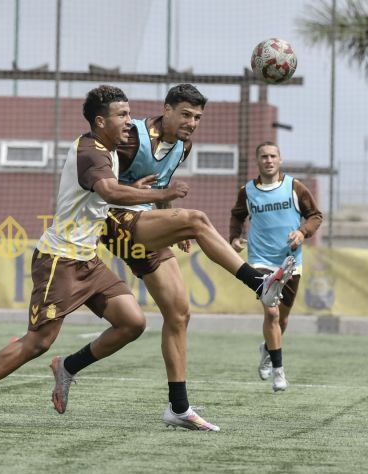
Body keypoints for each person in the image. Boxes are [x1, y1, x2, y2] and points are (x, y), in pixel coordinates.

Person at [0, 85, 191, 428]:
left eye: (130, 114)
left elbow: (113, 194)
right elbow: (109, 190)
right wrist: (162, 193)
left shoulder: (111, 149)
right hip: (61, 259)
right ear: (101, 121)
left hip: (87, 258)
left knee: (132, 322)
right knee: (38, 341)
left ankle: (67, 367)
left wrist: (145, 195)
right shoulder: (91, 151)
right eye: (122, 115)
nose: (130, 122)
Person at [102, 84, 296, 428]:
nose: (192, 123)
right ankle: (258, 282)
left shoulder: (182, 146)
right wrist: (163, 208)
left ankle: (177, 408)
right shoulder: (130, 138)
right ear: (167, 109)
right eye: (186, 115)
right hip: (112, 220)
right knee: (197, 219)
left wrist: (170, 222)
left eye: (198, 117)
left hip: (144, 223)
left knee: (179, 314)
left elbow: (160, 188)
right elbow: (101, 187)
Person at [229, 141, 323, 392]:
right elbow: (237, 215)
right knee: (270, 312)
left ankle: (267, 348)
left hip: (290, 261)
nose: (268, 160)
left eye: (273, 156)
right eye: (263, 156)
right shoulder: (247, 191)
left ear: (280, 160)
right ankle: (279, 373)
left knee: (282, 320)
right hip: (260, 260)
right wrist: (235, 238)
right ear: (257, 161)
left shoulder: (294, 187)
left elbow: (315, 216)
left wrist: (303, 232)